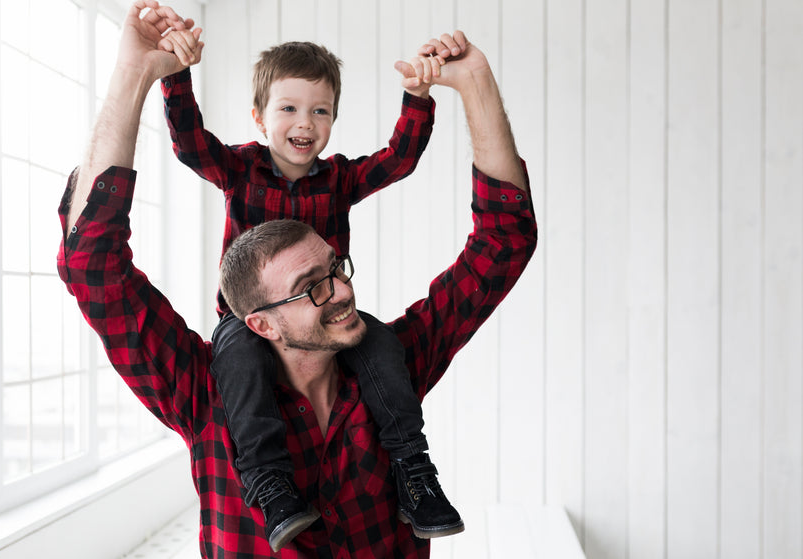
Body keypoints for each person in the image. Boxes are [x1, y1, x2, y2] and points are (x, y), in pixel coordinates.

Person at [57, 1, 536, 556]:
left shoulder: (388, 370)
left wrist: (467, 82)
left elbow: (503, 241)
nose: (345, 292)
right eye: (314, 286)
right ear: (260, 319)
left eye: (338, 268)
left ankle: (416, 473)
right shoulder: (208, 396)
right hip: (236, 346)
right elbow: (93, 262)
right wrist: (146, 75)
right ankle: (271, 486)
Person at [156, 15, 463, 551]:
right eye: (289, 108)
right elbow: (188, 144)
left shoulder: (339, 179)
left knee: (382, 349)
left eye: (320, 111)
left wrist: (417, 96)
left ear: (333, 120)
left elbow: (400, 160)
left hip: (327, 316)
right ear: (259, 118)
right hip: (249, 323)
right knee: (241, 375)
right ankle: (270, 484)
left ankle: (415, 472)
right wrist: (177, 76)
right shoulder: (239, 170)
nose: (306, 121)